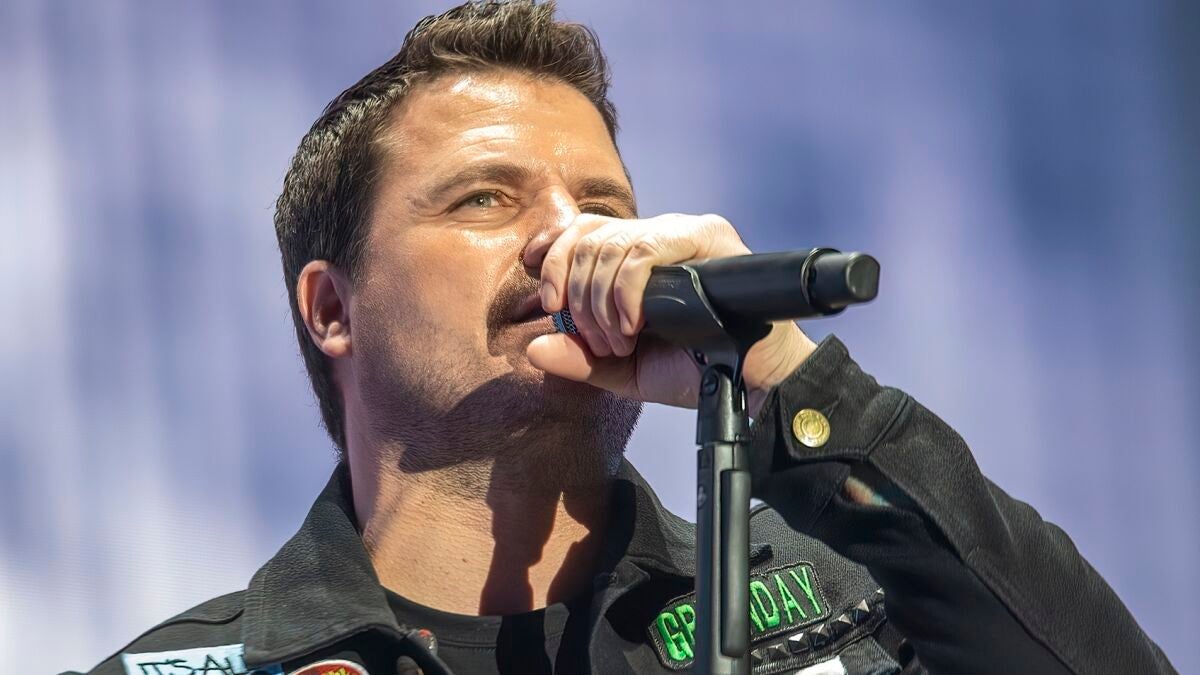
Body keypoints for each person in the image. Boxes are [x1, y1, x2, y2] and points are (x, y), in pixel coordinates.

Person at [73, 2, 1176, 674]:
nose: (569, 239)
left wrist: (788, 380)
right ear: (331, 309)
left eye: (602, 207)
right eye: (484, 199)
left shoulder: (847, 608)